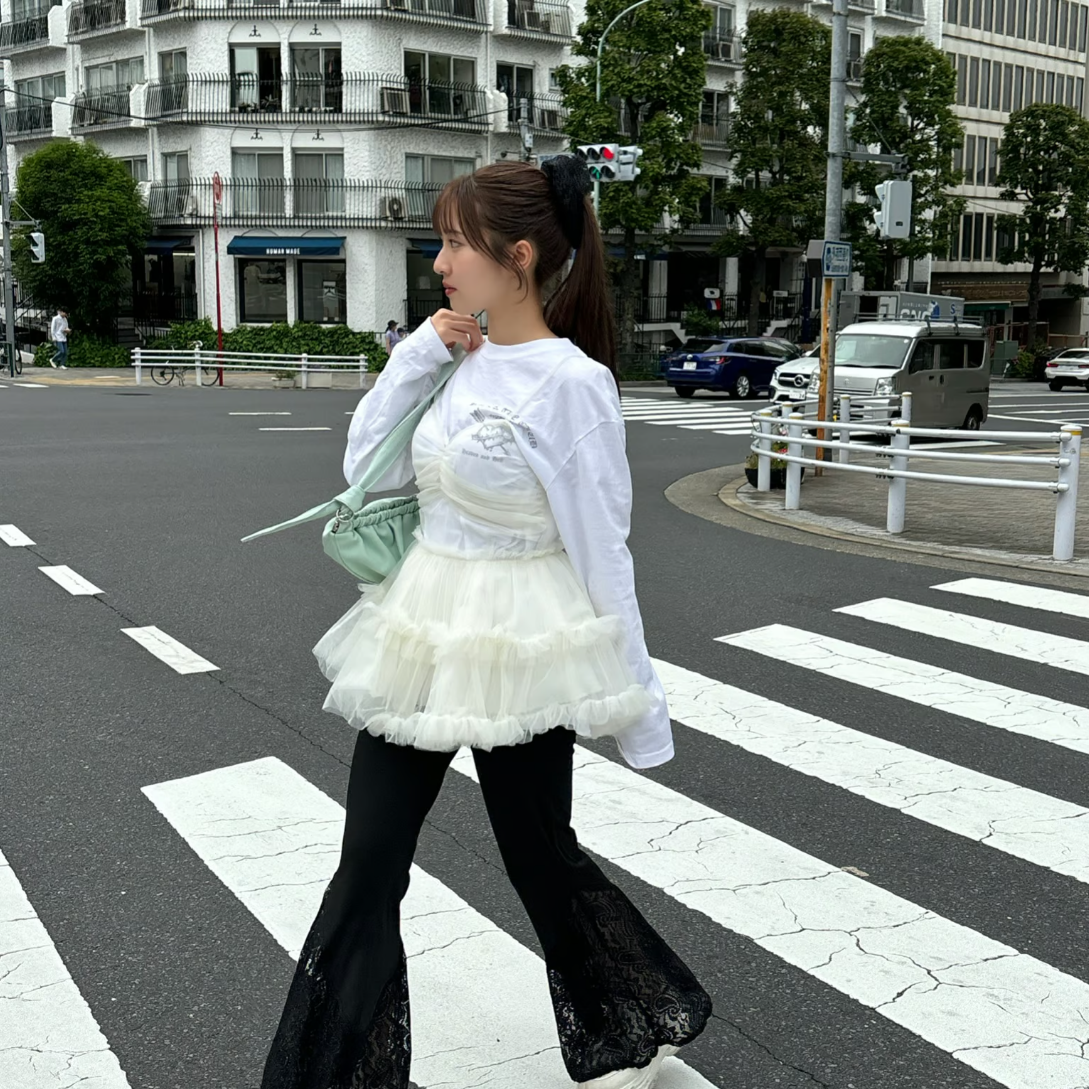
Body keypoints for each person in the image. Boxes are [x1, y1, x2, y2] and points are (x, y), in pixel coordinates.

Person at [260, 157, 711, 1089]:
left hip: (520, 641)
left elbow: (603, 549)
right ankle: (327, 1076)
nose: (439, 263)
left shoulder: (571, 383)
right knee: (369, 859)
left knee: (538, 857)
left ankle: (628, 1025)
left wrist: (639, 706)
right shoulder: (451, 356)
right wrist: (417, 352)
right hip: (422, 627)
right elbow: (369, 478)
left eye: (455, 243)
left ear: (516, 256)